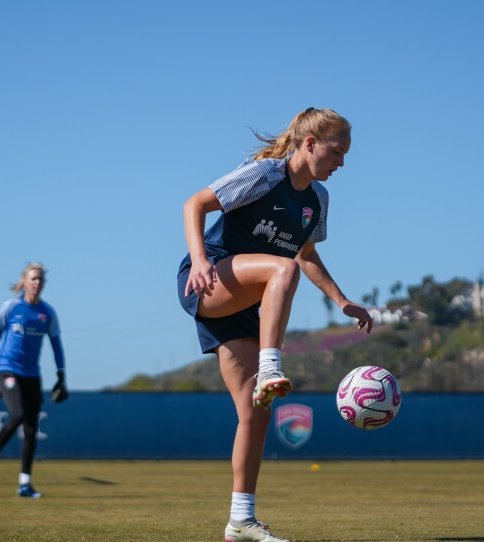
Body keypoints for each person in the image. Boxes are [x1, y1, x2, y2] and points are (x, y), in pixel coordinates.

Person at [178, 108, 373, 542]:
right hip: (208, 281)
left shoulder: (316, 201)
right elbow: (195, 204)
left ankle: (240, 521)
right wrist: (199, 260)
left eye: (345, 154)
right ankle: (272, 364)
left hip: (244, 303)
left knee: (256, 412)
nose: (341, 161)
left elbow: (306, 254)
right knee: (283, 271)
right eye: (337, 150)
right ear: (309, 143)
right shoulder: (266, 174)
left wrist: (342, 300)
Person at [0, 262, 68, 499]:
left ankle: (24, 483)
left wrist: (61, 375)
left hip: (32, 375)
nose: (37, 283)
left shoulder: (47, 313)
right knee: (18, 415)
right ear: (24, 281)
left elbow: (57, 345)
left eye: (40, 280)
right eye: (33, 278)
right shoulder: (11, 307)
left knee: (31, 428)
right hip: (8, 370)